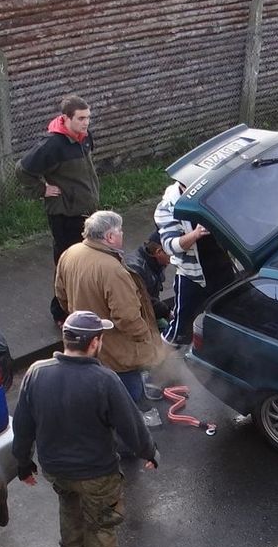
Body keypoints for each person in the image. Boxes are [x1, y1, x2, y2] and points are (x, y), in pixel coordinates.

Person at [11, 310, 159, 547]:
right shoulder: (104, 379)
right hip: (96, 473)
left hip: (56, 470)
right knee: (101, 524)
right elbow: (130, 424)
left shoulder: (36, 372)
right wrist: (149, 452)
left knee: (69, 507)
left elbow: (23, 425)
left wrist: (23, 463)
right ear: (94, 344)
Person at [55, 211, 165, 426]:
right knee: (128, 384)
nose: (123, 234)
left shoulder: (70, 253)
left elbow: (61, 294)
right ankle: (136, 420)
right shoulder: (112, 269)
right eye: (120, 231)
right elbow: (127, 317)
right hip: (115, 346)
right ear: (109, 237)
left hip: (86, 339)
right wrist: (145, 337)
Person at [17, 94, 99, 325]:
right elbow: (22, 171)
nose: (86, 123)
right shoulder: (52, 145)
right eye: (81, 118)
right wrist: (42, 189)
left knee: (85, 262)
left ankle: (81, 305)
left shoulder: (84, 138)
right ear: (66, 118)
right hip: (64, 215)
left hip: (86, 210)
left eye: (88, 117)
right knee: (66, 264)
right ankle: (60, 311)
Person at [155, 181, 236, 346]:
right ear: (182, 187)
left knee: (228, 314)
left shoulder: (214, 193)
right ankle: (163, 363)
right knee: (180, 327)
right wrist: (196, 234)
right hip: (192, 276)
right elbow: (170, 246)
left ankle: (220, 350)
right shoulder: (168, 206)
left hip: (222, 267)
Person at [125, 230, 174, 332]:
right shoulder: (135, 268)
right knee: (167, 330)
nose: (174, 258)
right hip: (139, 315)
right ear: (159, 252)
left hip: (151, 310)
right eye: (172, 254)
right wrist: (167, 312)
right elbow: (144, 299)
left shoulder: (157, 263)